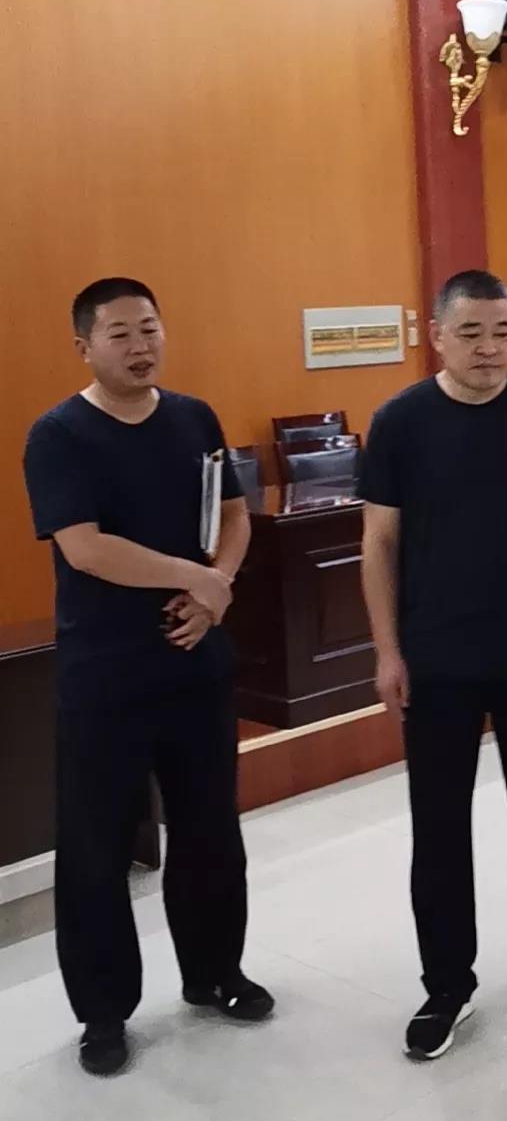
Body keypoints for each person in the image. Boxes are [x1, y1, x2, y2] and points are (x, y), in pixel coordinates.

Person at [23, 278, 273, 1077]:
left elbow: (231, 516)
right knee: (95, 848)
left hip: (196, 664)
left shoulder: (194, 418)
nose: (140, 346)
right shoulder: (59, 435)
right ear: (85, 347)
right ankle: (104, 1012)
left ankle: (215, 973)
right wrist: (193, 577)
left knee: (209, 831)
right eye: (120, 334)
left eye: (150, 328)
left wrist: (216, 587)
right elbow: (86, 547)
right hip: (106, 676)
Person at [359, 270, 507, 1061]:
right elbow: (379, 543)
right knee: (439, 826)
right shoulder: (400, 423)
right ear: (437, 336)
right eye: (470, 333)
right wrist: (388, 651)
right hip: (436, 662)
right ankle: (445, 984)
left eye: (502, 332)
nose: (489, 348)